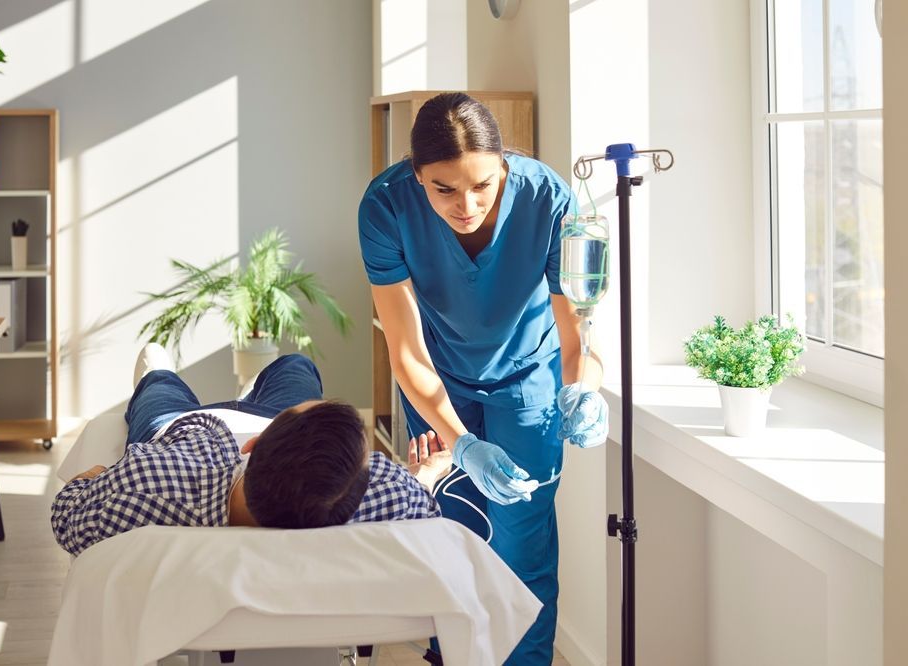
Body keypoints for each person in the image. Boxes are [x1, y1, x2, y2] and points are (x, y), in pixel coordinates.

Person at [357, 92, 610, 664]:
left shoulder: (548, 200)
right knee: (450, 532)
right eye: (443, 189)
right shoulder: (386, 207)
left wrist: (583, 391)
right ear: (417, 175)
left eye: (483, 185)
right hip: (437, 380)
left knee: (523, 543)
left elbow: (578, 339)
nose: (466, 205)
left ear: (504, 166)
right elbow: (405, 350)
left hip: (528, 380)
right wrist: (461, 442)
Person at [51, 344, 443, 557]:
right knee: (295, 364)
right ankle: (255, 390)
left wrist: (93, 475)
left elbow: (68, 518)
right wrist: (425, 473)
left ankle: (161, 369)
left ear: (251, 448)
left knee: (157, 375)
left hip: (180, 429)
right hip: (270, 423)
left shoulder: (149, 478)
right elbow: (420, 502)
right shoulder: (379, 493)